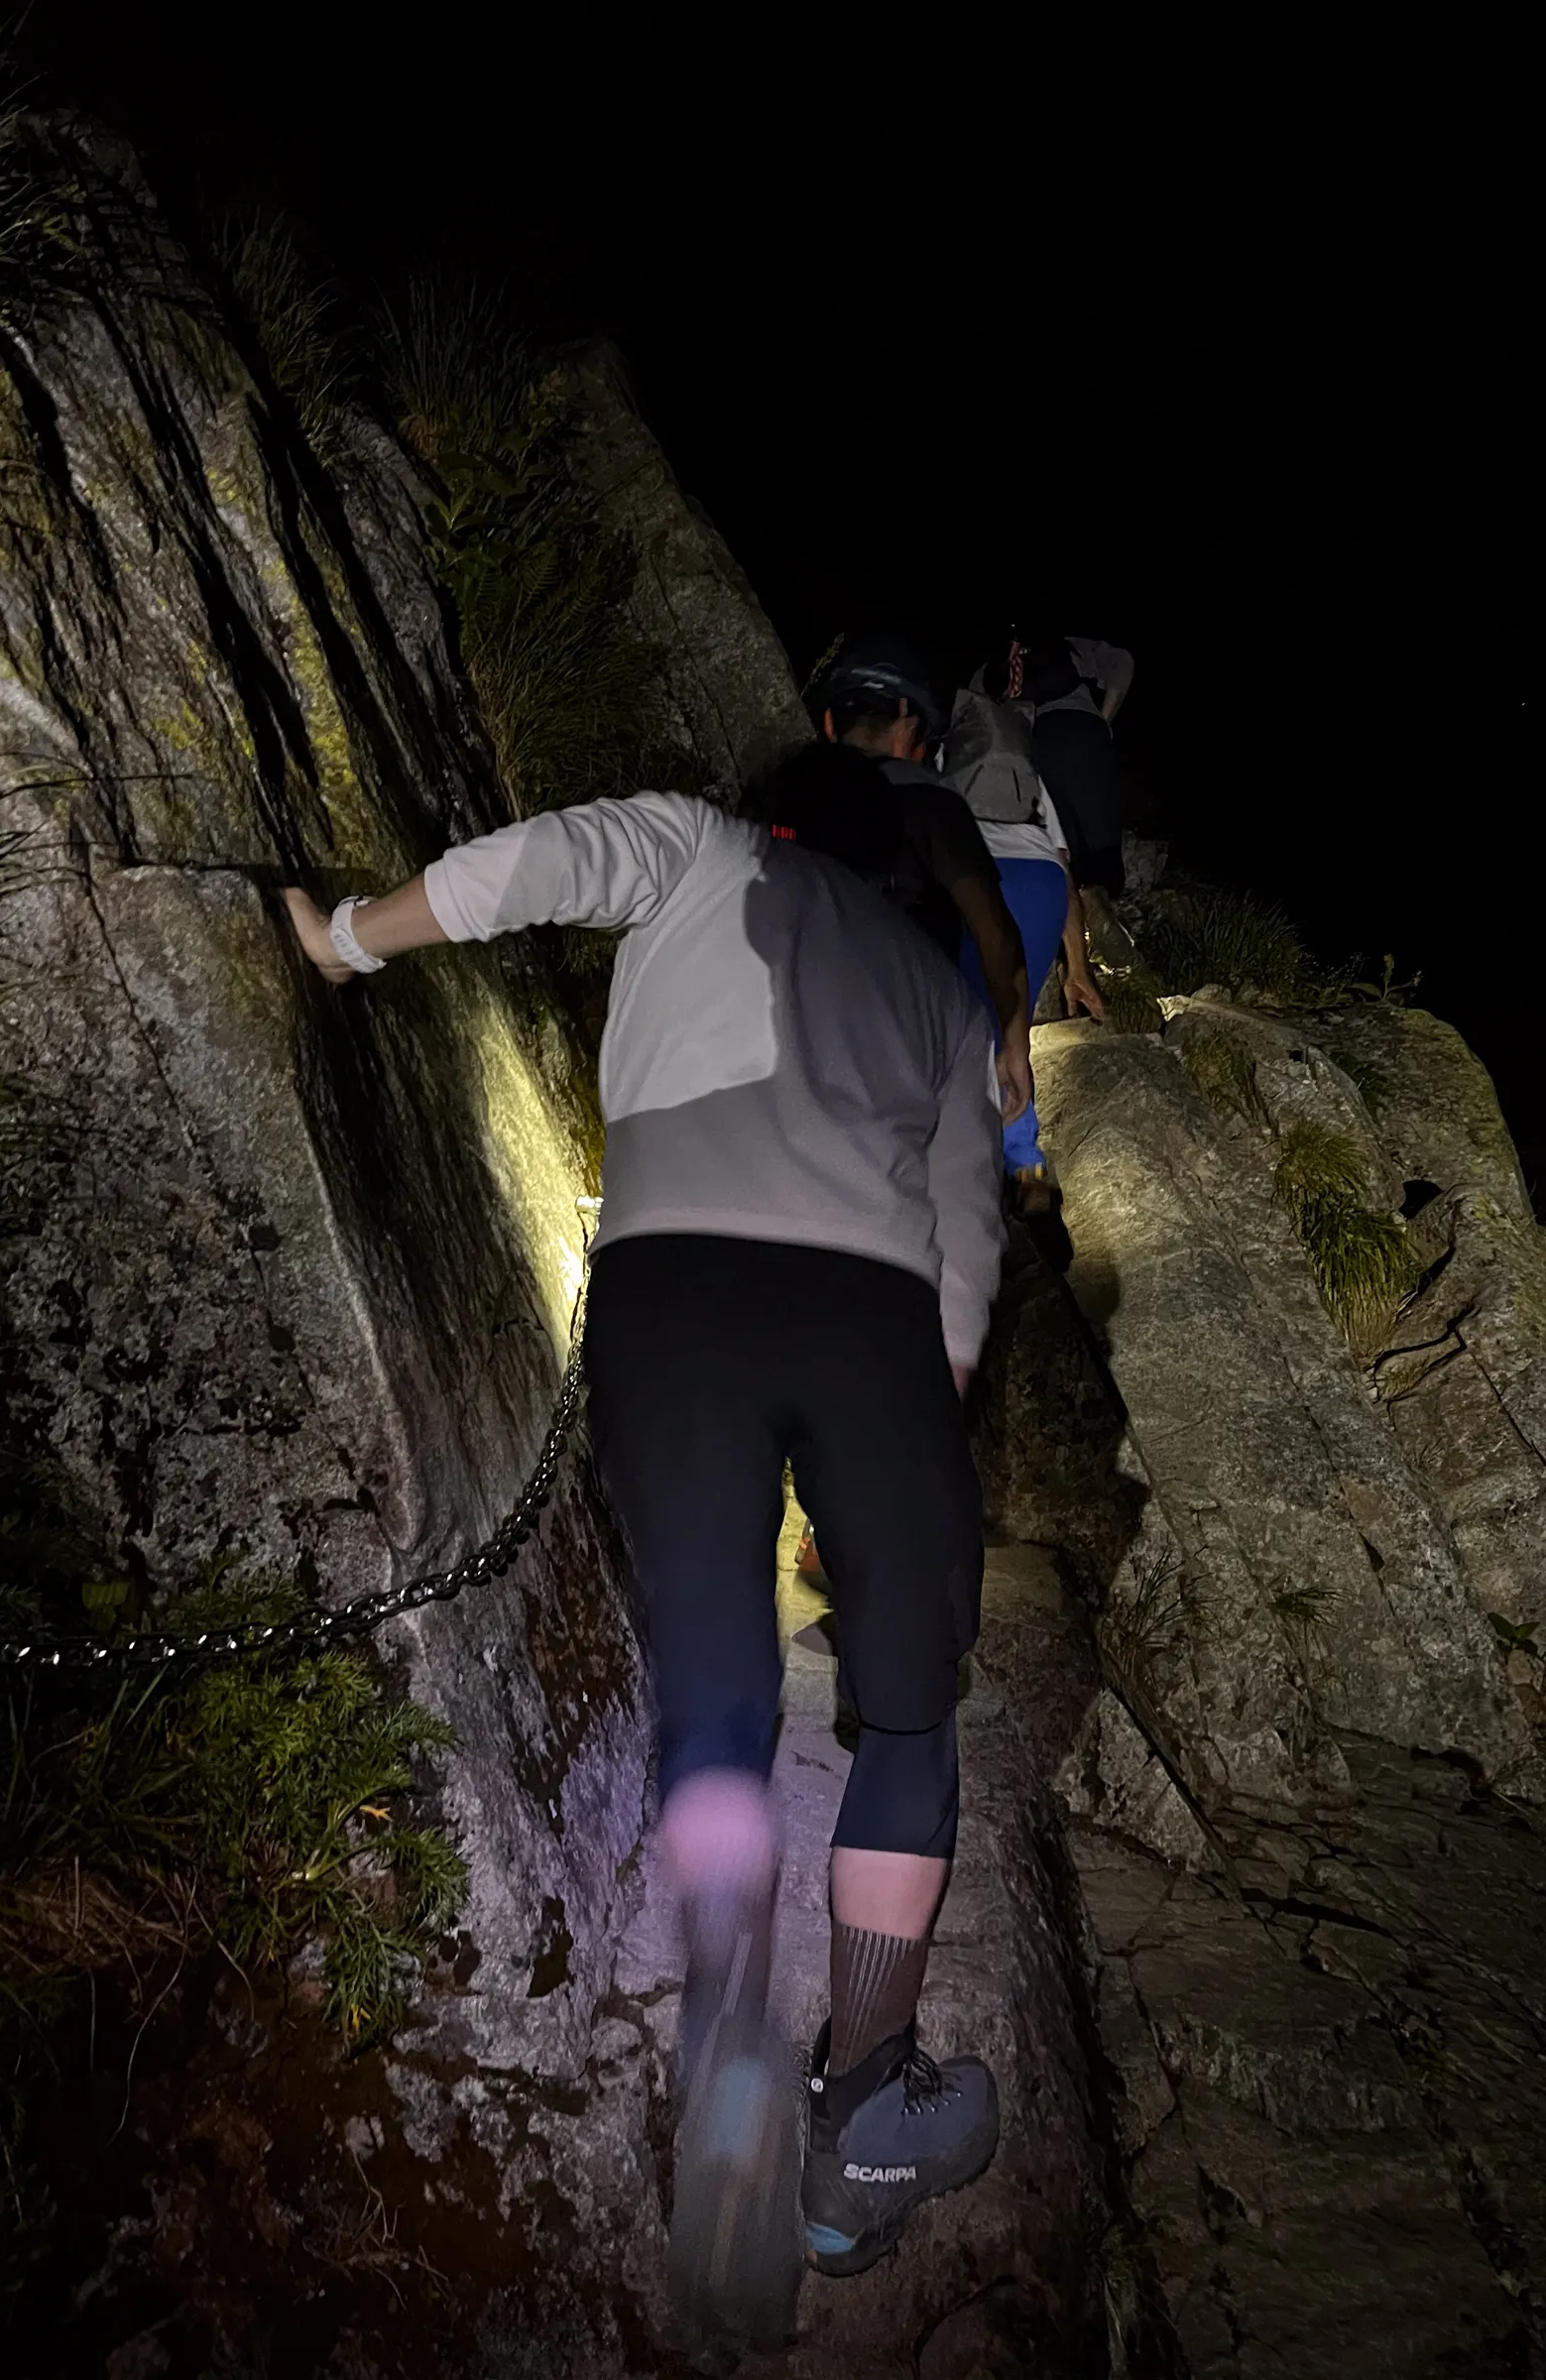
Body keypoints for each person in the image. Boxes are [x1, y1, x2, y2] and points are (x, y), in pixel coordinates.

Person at [281, 768, 1005, 2339]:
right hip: (872, 1317)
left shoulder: (700, 848)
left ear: (782, 820)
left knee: (719, 1685)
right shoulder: (935, 995)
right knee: (907, 1710)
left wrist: (346, 936)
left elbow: (545, 862)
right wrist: (899, 1460)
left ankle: (724, 2029)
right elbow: (966, 1261)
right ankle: (863, 2120)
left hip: (674, 1293)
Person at [810, 634, 1034, 1130]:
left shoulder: (782, 799)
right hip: (910, 1046)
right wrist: (1014, 1042)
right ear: (908, 731)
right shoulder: (932, 804)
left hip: (803, 1042)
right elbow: (995, 934)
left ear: (829, 725)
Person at [938, 684, 1105, 1270]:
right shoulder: (1032, 784)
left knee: (969, 1027)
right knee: (1014, 1030)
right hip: (1040, 886)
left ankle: (958, 1180)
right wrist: (1077, 969)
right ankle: (1030, 1176)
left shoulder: (943, 759)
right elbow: (1065, 874)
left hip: (981, 877)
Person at [976, 631, 1137, 968]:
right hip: (1084, 732)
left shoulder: (990, 667)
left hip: (1036, 747)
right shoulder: (1066, 647)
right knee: (1102, 840)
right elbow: (1123, 663)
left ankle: (1082, 940)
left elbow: (972, 722)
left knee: (1067, 849)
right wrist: (1103, 720)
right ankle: (1110, 934)